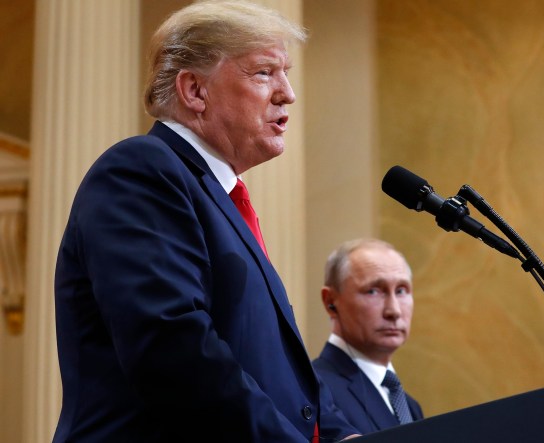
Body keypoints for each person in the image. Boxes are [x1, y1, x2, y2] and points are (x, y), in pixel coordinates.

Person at [53, 2, 359, 441]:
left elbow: (272, 364)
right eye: (263, 73)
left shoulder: (220, 197)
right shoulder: (141, 170)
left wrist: (338, 433)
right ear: (194, 90)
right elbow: (174, 350)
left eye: (285, 72)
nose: (287, 92)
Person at [313, 238, 424, 434]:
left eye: (401, 291)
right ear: (330, 301)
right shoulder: (313, 388)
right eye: (373, 291)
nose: (394, 311)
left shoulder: (410, 406)